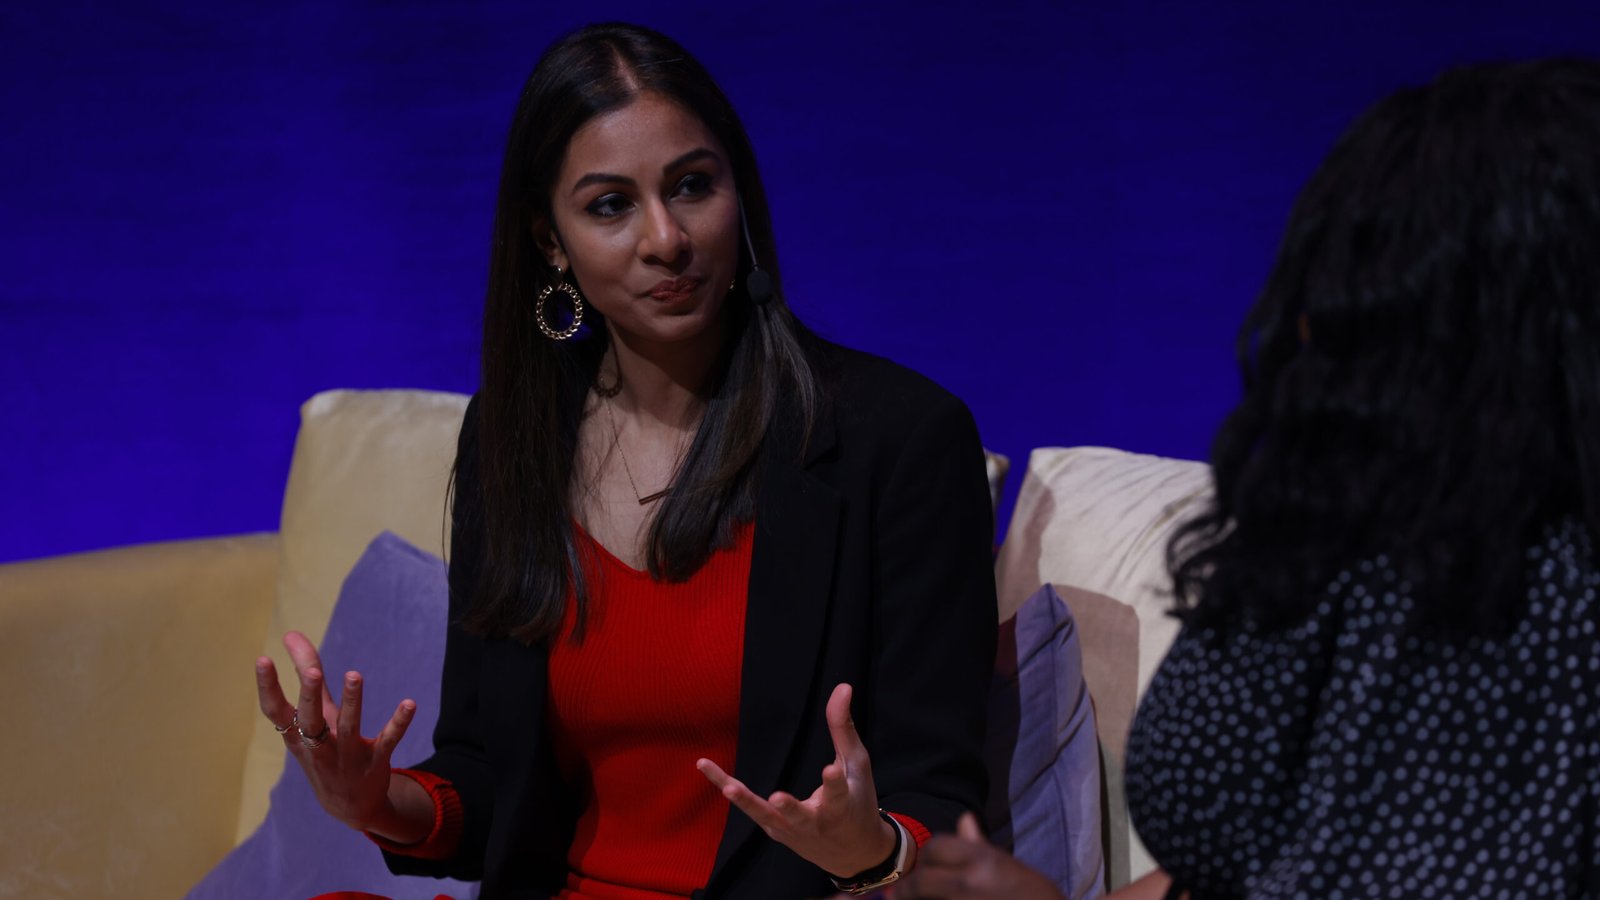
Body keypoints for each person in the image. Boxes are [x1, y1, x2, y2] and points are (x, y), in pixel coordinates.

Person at [251, 22, 997, 900]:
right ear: (550, 240)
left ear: (739, 193)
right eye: (610, 205)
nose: (667, 239)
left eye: (692, 186)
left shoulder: (899, 438)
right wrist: (381, 802)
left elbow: (936, 798)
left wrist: (870, 848)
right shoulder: (512, 437)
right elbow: (490, 780)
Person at [888, 58, 1600, 899]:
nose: (1314, 324)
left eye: (1366, 288)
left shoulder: (1559, 603)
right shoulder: (1327, 534)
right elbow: (1243, 871)